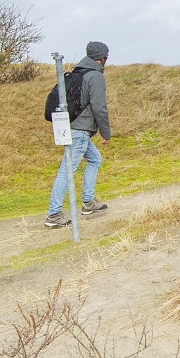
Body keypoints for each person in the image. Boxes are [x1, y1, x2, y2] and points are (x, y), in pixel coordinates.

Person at [45, 41, 113, 228]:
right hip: (80, 131)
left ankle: (89, 203)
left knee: (95, 159)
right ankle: (53, 214)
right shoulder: (95, 76)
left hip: (72, 127)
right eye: (106, 57)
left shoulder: (78, 73)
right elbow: (99, 107)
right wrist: (106, 133)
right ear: (102, 58)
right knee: (67, 170)